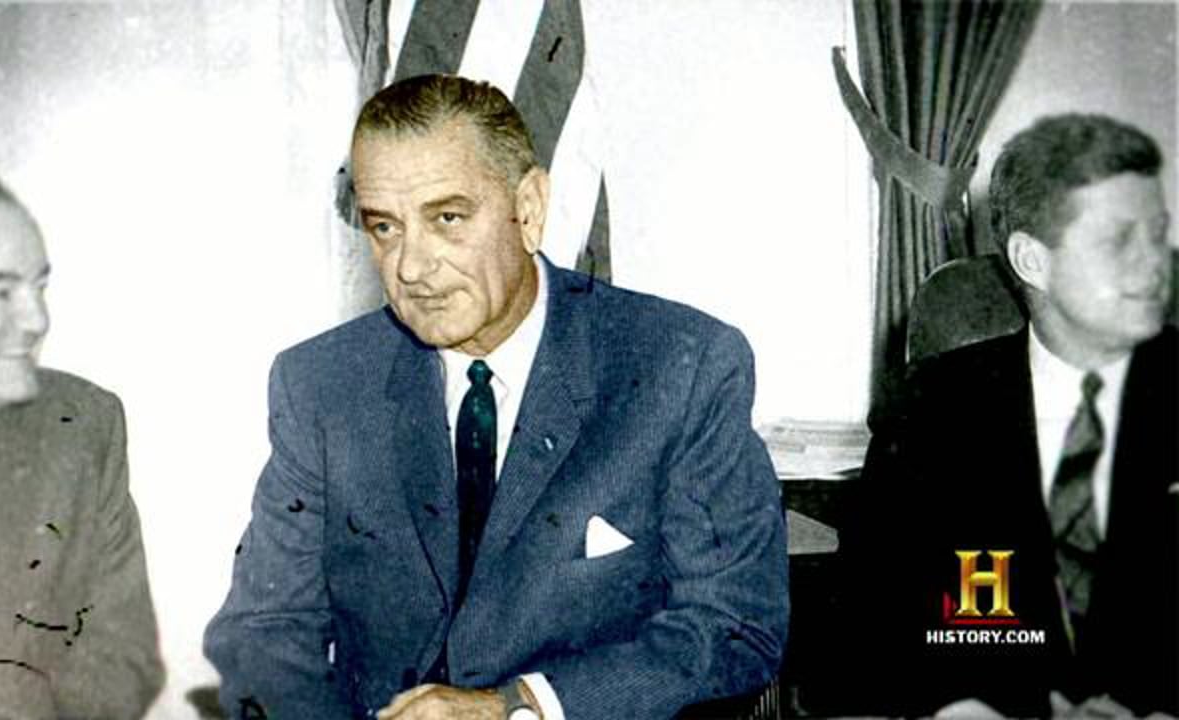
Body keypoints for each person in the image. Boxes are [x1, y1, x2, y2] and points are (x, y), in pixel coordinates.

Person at [205, 74, 788, 719]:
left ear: (529, 208)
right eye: (384, 227)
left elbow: (733, 627)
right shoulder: (320, 383)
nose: (410, 267)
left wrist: (516, 708)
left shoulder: (681, 366)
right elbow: (262, 634)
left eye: (447, 219)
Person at [843, 114, 1176, 717]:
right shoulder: (928, 408)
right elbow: (876, 624)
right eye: (1117, 241)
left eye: (1158, 234)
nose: (1154, 264)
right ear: (1031, 259)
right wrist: (965, 709)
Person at [0, 162, 164, 718]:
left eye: (39, 286)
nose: (37, 319)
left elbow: (123, 657)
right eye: (1, 292)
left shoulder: (80, 426)